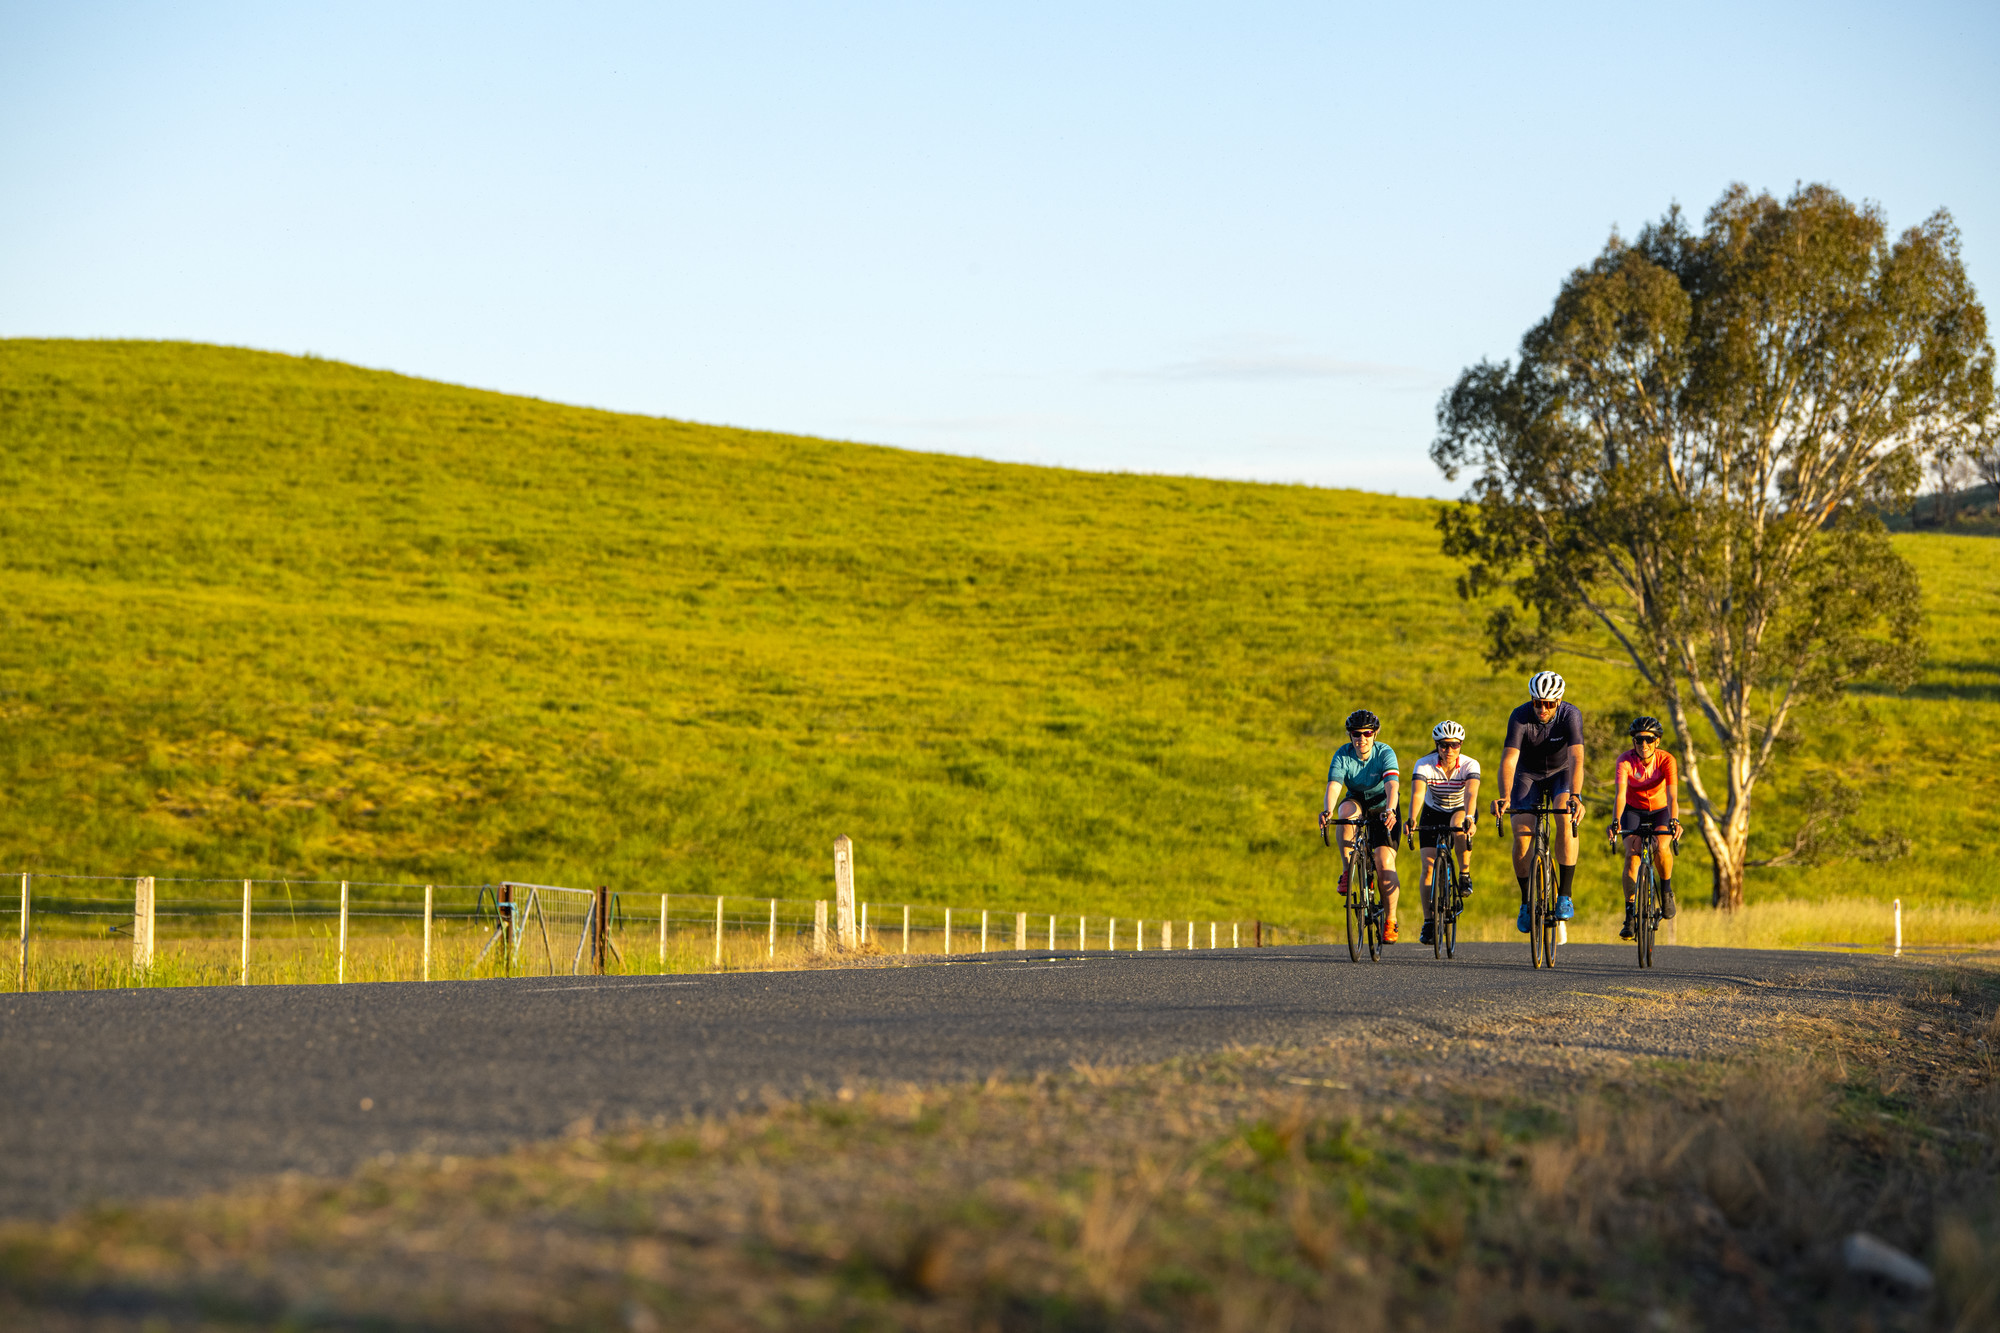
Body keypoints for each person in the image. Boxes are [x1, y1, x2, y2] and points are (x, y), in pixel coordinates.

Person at [1490, 671, 1585, 932]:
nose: (1542, 709)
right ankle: (1525, 901)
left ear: (1559, 701)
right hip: (1527, 774)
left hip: (1560, 774)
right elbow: (1509, 759)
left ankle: (1564, 894)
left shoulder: (1570, 715)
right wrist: (1505, 795)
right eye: (1537, 703)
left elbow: (1576, 757)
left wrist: (1576, 795)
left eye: (1549, 704)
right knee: (1522, 836)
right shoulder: (1520, 716)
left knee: (1565, 819)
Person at [1319, 709, 1403, 944]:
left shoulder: (1385, 752)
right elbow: (1334, 785)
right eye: (1356, 734)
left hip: (1383, 804)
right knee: (1345, 813)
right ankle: (1348, 870)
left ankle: (1391, 920)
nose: (1362, 739)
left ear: (1375, 734)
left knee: (1385, 863)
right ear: (1350, 735)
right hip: (1356, 799)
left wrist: (1390, 810)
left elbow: (1392, 785)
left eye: (1367, 733)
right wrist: (1327, 810)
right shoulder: (1343, 755)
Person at [1406, 720, 1480, 947]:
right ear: (1437, 746)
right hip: (1433, 810)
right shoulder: (1424, 764)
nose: (1449, 750)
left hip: (1460, 809)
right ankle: (1429, 921)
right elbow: (1418, 793)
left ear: (1461, 745)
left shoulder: (1469, 764)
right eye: (1444, 745)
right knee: (1428, 867)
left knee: (1459, 827)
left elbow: (1471, 793)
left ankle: (1464, 874)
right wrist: (1412, 818)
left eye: (1454, 745)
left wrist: (1469, 817)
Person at [1608, 716, 1682, 936]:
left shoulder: (1667, 760)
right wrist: (1616, 820)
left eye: (1649, 739)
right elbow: (1620, 795)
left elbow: (1672, 796)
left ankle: (1666, 891)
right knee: (1632, 854)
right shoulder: (1625, 761)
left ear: (1657, 741)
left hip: (1661, 810)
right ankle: (1630, 914)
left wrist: (1674, 820)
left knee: (1661, 846)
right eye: (1639, 739)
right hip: (1633, 809)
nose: (1644, 744)